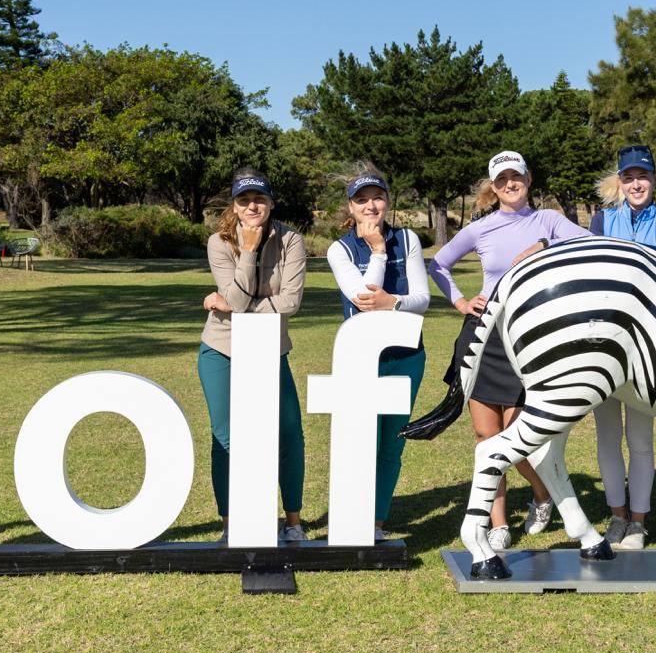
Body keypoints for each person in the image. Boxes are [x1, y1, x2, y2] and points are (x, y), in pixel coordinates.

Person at [428, 150, 589, 550]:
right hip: (483, 334)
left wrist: (543, 245)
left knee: (521, 439)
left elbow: (590, 246)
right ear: (492, 186)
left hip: (530, 338)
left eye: (516, 177)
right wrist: (461, 302)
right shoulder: (481, 227)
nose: (509, 184)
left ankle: (541, 494)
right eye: (501, 180)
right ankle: (497, 522)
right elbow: (439, 264)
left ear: (528, 179)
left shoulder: (548, 220)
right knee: (487, 436)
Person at [587, 143, 656, 550]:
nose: (636, 184)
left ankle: (638, 521)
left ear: (655, 181)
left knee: (640, 440)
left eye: (643, 176)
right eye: (629, 177)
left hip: (649, 352)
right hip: (603, 346)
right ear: (620, 182)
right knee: (606, 437)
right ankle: (616, 516)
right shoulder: (600, 220)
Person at [197, 167, 308, 543]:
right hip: (222, 348)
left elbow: (290, 302)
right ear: (235, 206)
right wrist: (247, 250)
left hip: (270, 349)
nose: (252, 206)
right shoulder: (218, 242)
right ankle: (230, 524)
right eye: (244, 200)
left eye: (259, 199)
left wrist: (232, 306)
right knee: (225, 437)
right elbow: (240, 299)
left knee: (289, 432)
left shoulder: (292, 240)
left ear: (271, 202)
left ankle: (293, 522)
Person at [325, 167, 431, 541]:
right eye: (361, 199)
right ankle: (352, 518)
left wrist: (394, 302)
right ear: (350, 208)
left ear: (387, 200)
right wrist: (379, 252)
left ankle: (375, 523)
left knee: (390, 444)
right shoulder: (338, 249)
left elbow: (422, 300)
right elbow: (364, 298)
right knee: (359, 440)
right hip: (361, 358)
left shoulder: (408, 237)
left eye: (377, 197)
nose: (371, 206)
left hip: (405, 355)